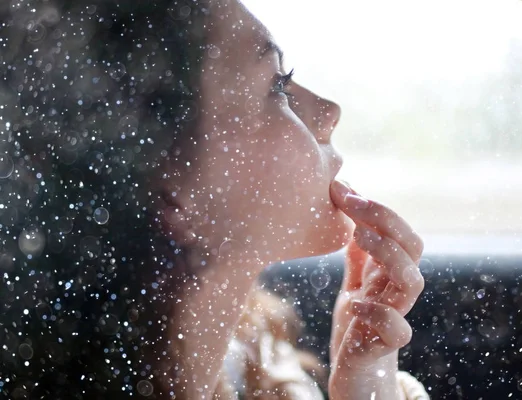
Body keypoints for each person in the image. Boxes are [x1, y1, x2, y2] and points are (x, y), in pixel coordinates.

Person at [0, 0, 428, 398]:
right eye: (277, 86)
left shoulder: (259, 359)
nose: (330, 110)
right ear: (171, 196)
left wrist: (370, 382)